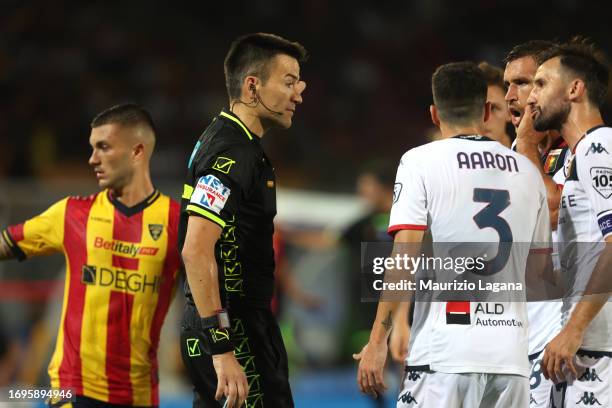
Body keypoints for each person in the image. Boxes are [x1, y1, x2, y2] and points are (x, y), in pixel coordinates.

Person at [354, 61, 552, 407]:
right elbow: (538, 271)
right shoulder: (528, 171)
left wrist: (377, 340)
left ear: (434, 113)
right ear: (488, 110)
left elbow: (404, 257)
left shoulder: (420, 162)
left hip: (444, 355)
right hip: (511, 360)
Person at [0, 103, 182, 407]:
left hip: (139, 395)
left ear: (137, 151)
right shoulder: (71, 213)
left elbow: (217, 289)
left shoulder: (178, 224)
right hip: (74, 390)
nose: (92, 159)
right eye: (92, 148)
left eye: (103, 147)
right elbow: (6, 243)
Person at [178, 33, 306, 408]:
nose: (298, 93)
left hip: (229, 325)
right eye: (288, 82)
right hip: (234, 330)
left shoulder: (227, 140)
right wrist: (223, 350)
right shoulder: (233, 150)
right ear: (252, 86)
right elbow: (196, 250)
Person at [528, 37, 612, 407]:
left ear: (575, 89)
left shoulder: (599, 146)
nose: (532, 96)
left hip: (599, 349)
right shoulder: (580, 156)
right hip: (584, 348)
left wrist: (573, 331)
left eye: (542, 83)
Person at [503, 39, 569, 408]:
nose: (513, 95)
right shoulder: (515, 152)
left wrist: (526, 143)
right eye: (507, 83)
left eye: (525, 83)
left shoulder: (584, 147)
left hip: (566, 342)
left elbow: (554, 209)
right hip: (518, 341)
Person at [478, 62, 513, 147]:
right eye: (477, 109)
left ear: (510, 112)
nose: (484, 118)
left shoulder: (529, 156)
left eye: (493, 108)